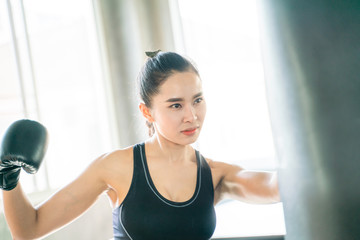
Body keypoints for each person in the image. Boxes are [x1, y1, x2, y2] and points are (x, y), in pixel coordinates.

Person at [0, 51, 280, 240]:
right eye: (175, 105)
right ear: (147, 112)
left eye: (197, 100)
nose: (191, 116)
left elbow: (276, 186)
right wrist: (8, 178)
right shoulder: (116, 167)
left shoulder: (215, 174)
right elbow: (29, 229)